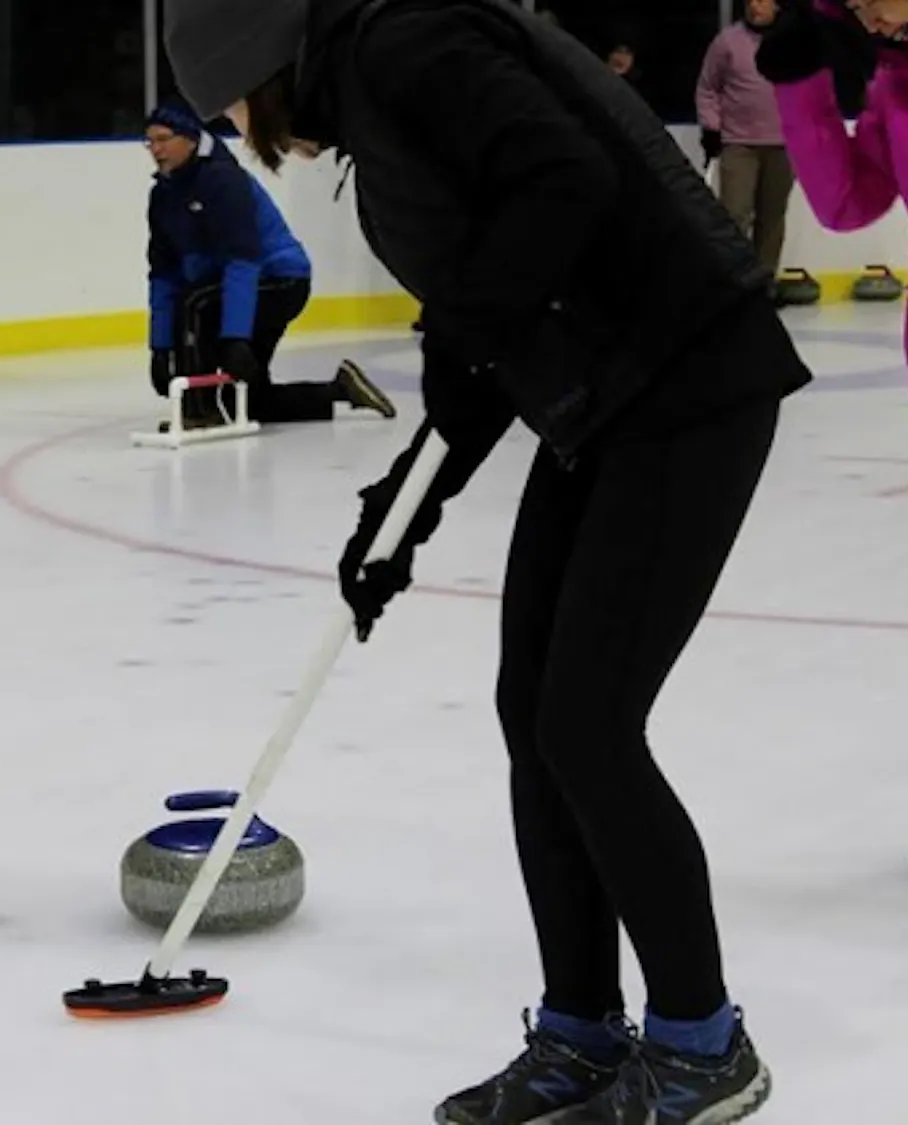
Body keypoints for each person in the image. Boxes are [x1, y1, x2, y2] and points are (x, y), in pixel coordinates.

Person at [163, 1, 812, 1122]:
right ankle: (579, 1033)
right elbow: (482, 337)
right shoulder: (379, 93)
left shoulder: (411, 46)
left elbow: (561, 187)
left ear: (252, 62)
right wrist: (399, 516)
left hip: (690, 382)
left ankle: (705, 1045)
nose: (229, 124)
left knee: (589, 726)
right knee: (535, 713)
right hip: (606, 402)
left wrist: (474, 344)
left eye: (218, 99)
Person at [143, 99, 395, 430]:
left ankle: (199, 412)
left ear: (190, 137)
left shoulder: (223, 182)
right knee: (249, 399)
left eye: (164, 139)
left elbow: (242, 261)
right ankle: (339, 389)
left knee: (196, 304)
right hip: (234, 286)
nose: (155, 149)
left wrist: (235, 337)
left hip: (280, 280)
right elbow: (163, 275)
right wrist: (160, 349)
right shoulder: (163, 196)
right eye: (150, 141)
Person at [757, 0, 908, 333]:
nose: (868, 24)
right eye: (854, 10)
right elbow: (848, 202)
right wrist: (800, 82)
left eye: (867, 1)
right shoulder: (894, 84)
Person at [697, 0, 797, 287]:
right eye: (751, 0)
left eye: (763, 0)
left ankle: (764, 281)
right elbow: (707, 88)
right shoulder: (727, 41)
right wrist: (711, 128)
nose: (755, 6)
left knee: (772, 217)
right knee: (734, 214)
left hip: (782, 145)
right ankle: (733, 282)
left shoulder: (790, 42)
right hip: (738, 144)